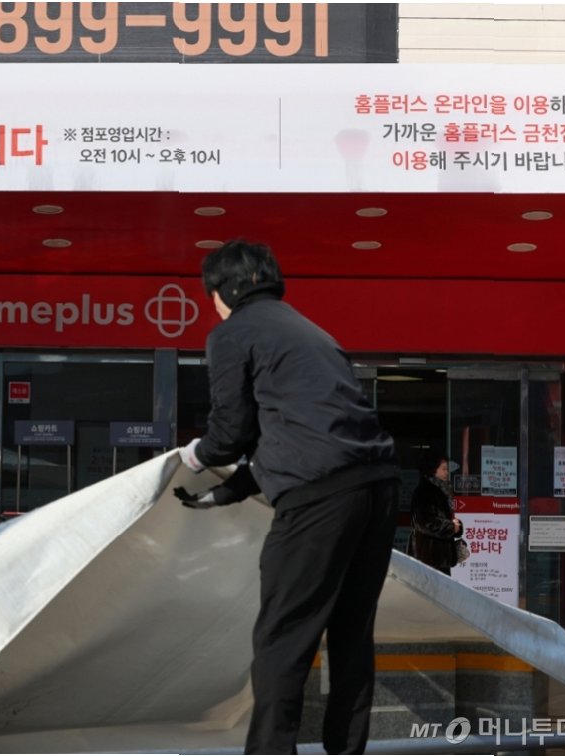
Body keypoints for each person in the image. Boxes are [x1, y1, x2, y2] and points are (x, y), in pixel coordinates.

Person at [175, 239, 400, 755]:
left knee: (283, 638)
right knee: (351, 634)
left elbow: (229, 433)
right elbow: (305, 434)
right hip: (379, 487)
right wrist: (228, 491)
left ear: (224, 290)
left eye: (211, 295)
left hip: (320, 500)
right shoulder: (311, 333)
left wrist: (195, 456)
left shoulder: (233, 333)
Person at [407, 450, 463, 575]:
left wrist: (456, 526)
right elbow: (425, 522)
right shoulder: (425, 492)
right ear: (432, 469)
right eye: (443, 469)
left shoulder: (439, 490)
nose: (447, 472)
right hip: (428, 558)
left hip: (436, 558)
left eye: (447, 469)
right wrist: (451, 527)